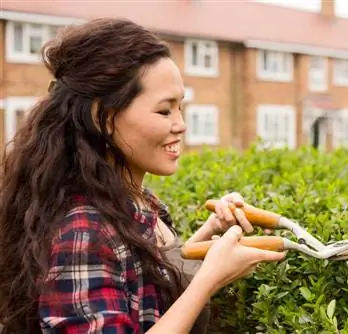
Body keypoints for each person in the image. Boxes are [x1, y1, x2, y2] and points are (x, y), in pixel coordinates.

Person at [0, 18, 286, 334]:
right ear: (103, 117)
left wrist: (210, 236)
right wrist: (208, 280)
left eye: (180, 108)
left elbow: (145, 289)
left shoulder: (138, 200)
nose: (180, 125)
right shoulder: (84, 230)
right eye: (164, 111)